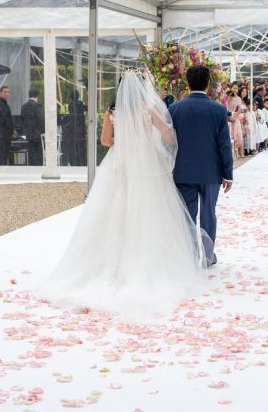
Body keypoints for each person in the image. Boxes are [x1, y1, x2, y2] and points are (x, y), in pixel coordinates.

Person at [37, 70, 209, 319]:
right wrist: (149, 142)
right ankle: (147, 262)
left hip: (119, 162)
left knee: (113, 210)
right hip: (146, 163)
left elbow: (105, 140)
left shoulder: (112, 111)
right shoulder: (148, 109)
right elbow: (170, 136)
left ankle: (108, 264)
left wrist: (126, 142)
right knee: (150, 209)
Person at [169, 65, 234, 267]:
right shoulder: (218, 110)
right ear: (208, 84)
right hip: (211, 172)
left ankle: (188, 256)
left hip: (183, 171)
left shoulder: (175, 109)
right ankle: (207, 256)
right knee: (208, 214)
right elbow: (224, 144)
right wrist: (228, 173)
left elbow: (169, 142)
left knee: (187, 216)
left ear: (188, 83)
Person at [61, 90, 86, 166]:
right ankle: (81, 162)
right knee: (80, 148)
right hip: (80, 131)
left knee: (73, 148)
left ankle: (74, 162)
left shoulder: (71, 105)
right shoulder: (81, 104)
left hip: (73, 132)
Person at [21, 89, 45, 166]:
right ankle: (38, 168)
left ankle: (32, 168)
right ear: (37, 96)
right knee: (38, 154)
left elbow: (22, 120)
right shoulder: (37, 106)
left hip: (28, 134)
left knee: (31, 153)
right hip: (37, 134)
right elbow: (42, 119)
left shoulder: (24, 107)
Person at [0, 85, 16, 165]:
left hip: (6, 134)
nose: (7, 94)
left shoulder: (6, 105)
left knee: (5, 155)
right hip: (2, 135)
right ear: (1, 93)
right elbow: (3, 120)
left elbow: (8, 119)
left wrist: (13, 130)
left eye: (8, 92)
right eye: (5, 92)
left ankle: (2, 171)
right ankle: (0, 172)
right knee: (2, 156)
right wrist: (12, 130)